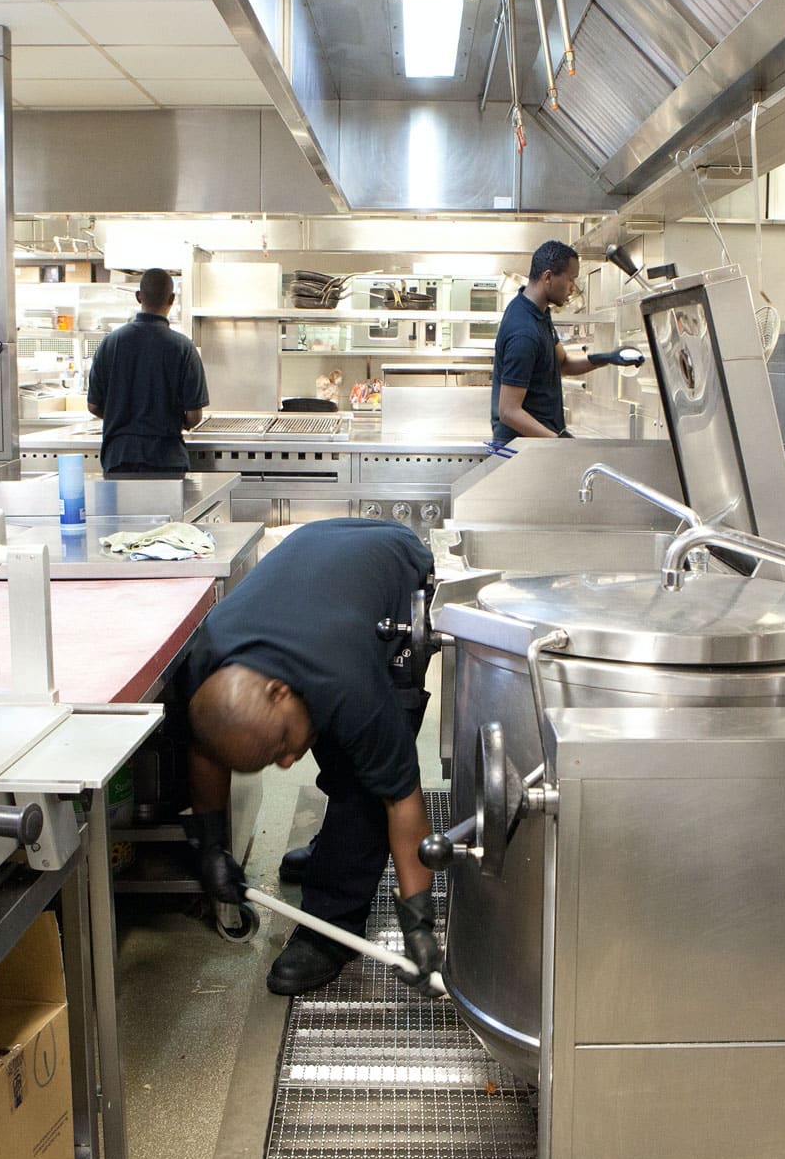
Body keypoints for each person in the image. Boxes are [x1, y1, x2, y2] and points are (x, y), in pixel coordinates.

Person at [171, 518, 442, 997]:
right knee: (337, 746)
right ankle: (332, 855)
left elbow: (402, 801)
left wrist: (419, 926)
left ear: (278, 691)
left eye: (283, 745)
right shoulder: (205, 663)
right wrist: (211, 846)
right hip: (321, 557)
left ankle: (330, 929)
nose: (288, 762)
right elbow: (205, 750)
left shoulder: (350, 684)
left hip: (393, 560)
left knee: (362, 783)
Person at [490, 240, 645, 444]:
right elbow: (509, 411)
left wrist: (609, 357)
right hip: (519, 450)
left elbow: (563, 364)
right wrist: (561, 441)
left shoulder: (538, 313)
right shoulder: (524, 332)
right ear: (548, 277)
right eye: (571, 279)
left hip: (537, 444)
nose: (573, 288)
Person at [86, 267, 209, 477]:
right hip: (167, 459)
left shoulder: (110, 343)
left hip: (119, 459)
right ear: (172, 299)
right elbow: (194, 416)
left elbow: (93, 405)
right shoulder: (183, 347)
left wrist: (123, 417)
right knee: (168, 511)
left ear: (138, 297)